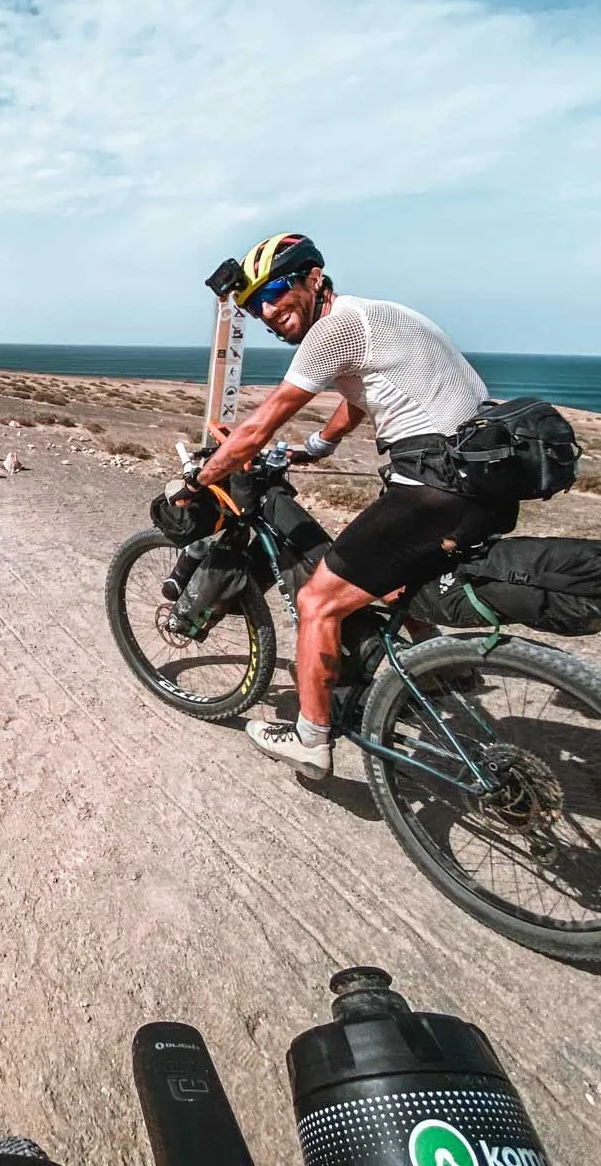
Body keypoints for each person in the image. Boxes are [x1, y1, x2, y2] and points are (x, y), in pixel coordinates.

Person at [170, 232, 516, 778]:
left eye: (277, 288)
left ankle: (311, 737)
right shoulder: (368, 319)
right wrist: (318, 447)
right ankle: (441, 669)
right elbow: (360, 399)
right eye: (257, 304)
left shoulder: (333, 330)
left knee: (318, 600)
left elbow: (263, 422)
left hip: (436, 481)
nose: (267, 309)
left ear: (314, 279)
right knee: (394, 578)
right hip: (484, 476)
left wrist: (199, 476)